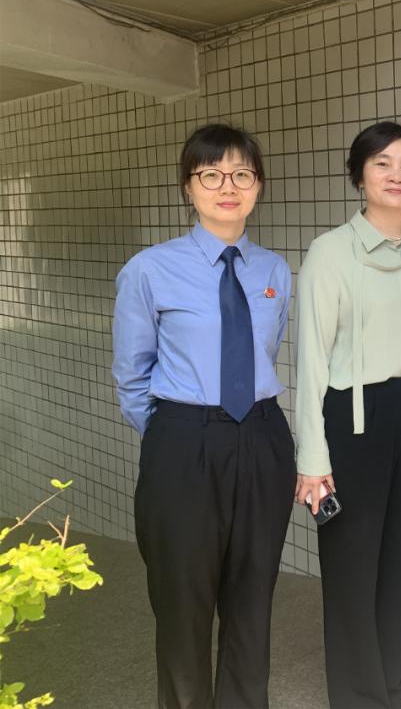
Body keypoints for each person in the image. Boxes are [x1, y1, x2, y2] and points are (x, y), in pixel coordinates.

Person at [112, 124, 295, 709]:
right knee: (182, 602)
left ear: (258, 185)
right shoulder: (149, 270)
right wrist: (175, 436)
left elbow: (265, 351)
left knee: (252, 598)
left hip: (262, 436)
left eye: (242, 174)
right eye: (211, 175)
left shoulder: (274, 271)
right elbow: (132, 375)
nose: (228, 187)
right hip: (183, 441)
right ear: (188, 187)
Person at [294, 121, 401, 709]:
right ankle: (358, 696)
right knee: (352, 561)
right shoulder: (329, 253)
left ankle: (396, 680)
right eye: (382, 163)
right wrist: (312, 456)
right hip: (354, 417)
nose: (397, 175)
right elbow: (311, 361)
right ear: (359, 176)